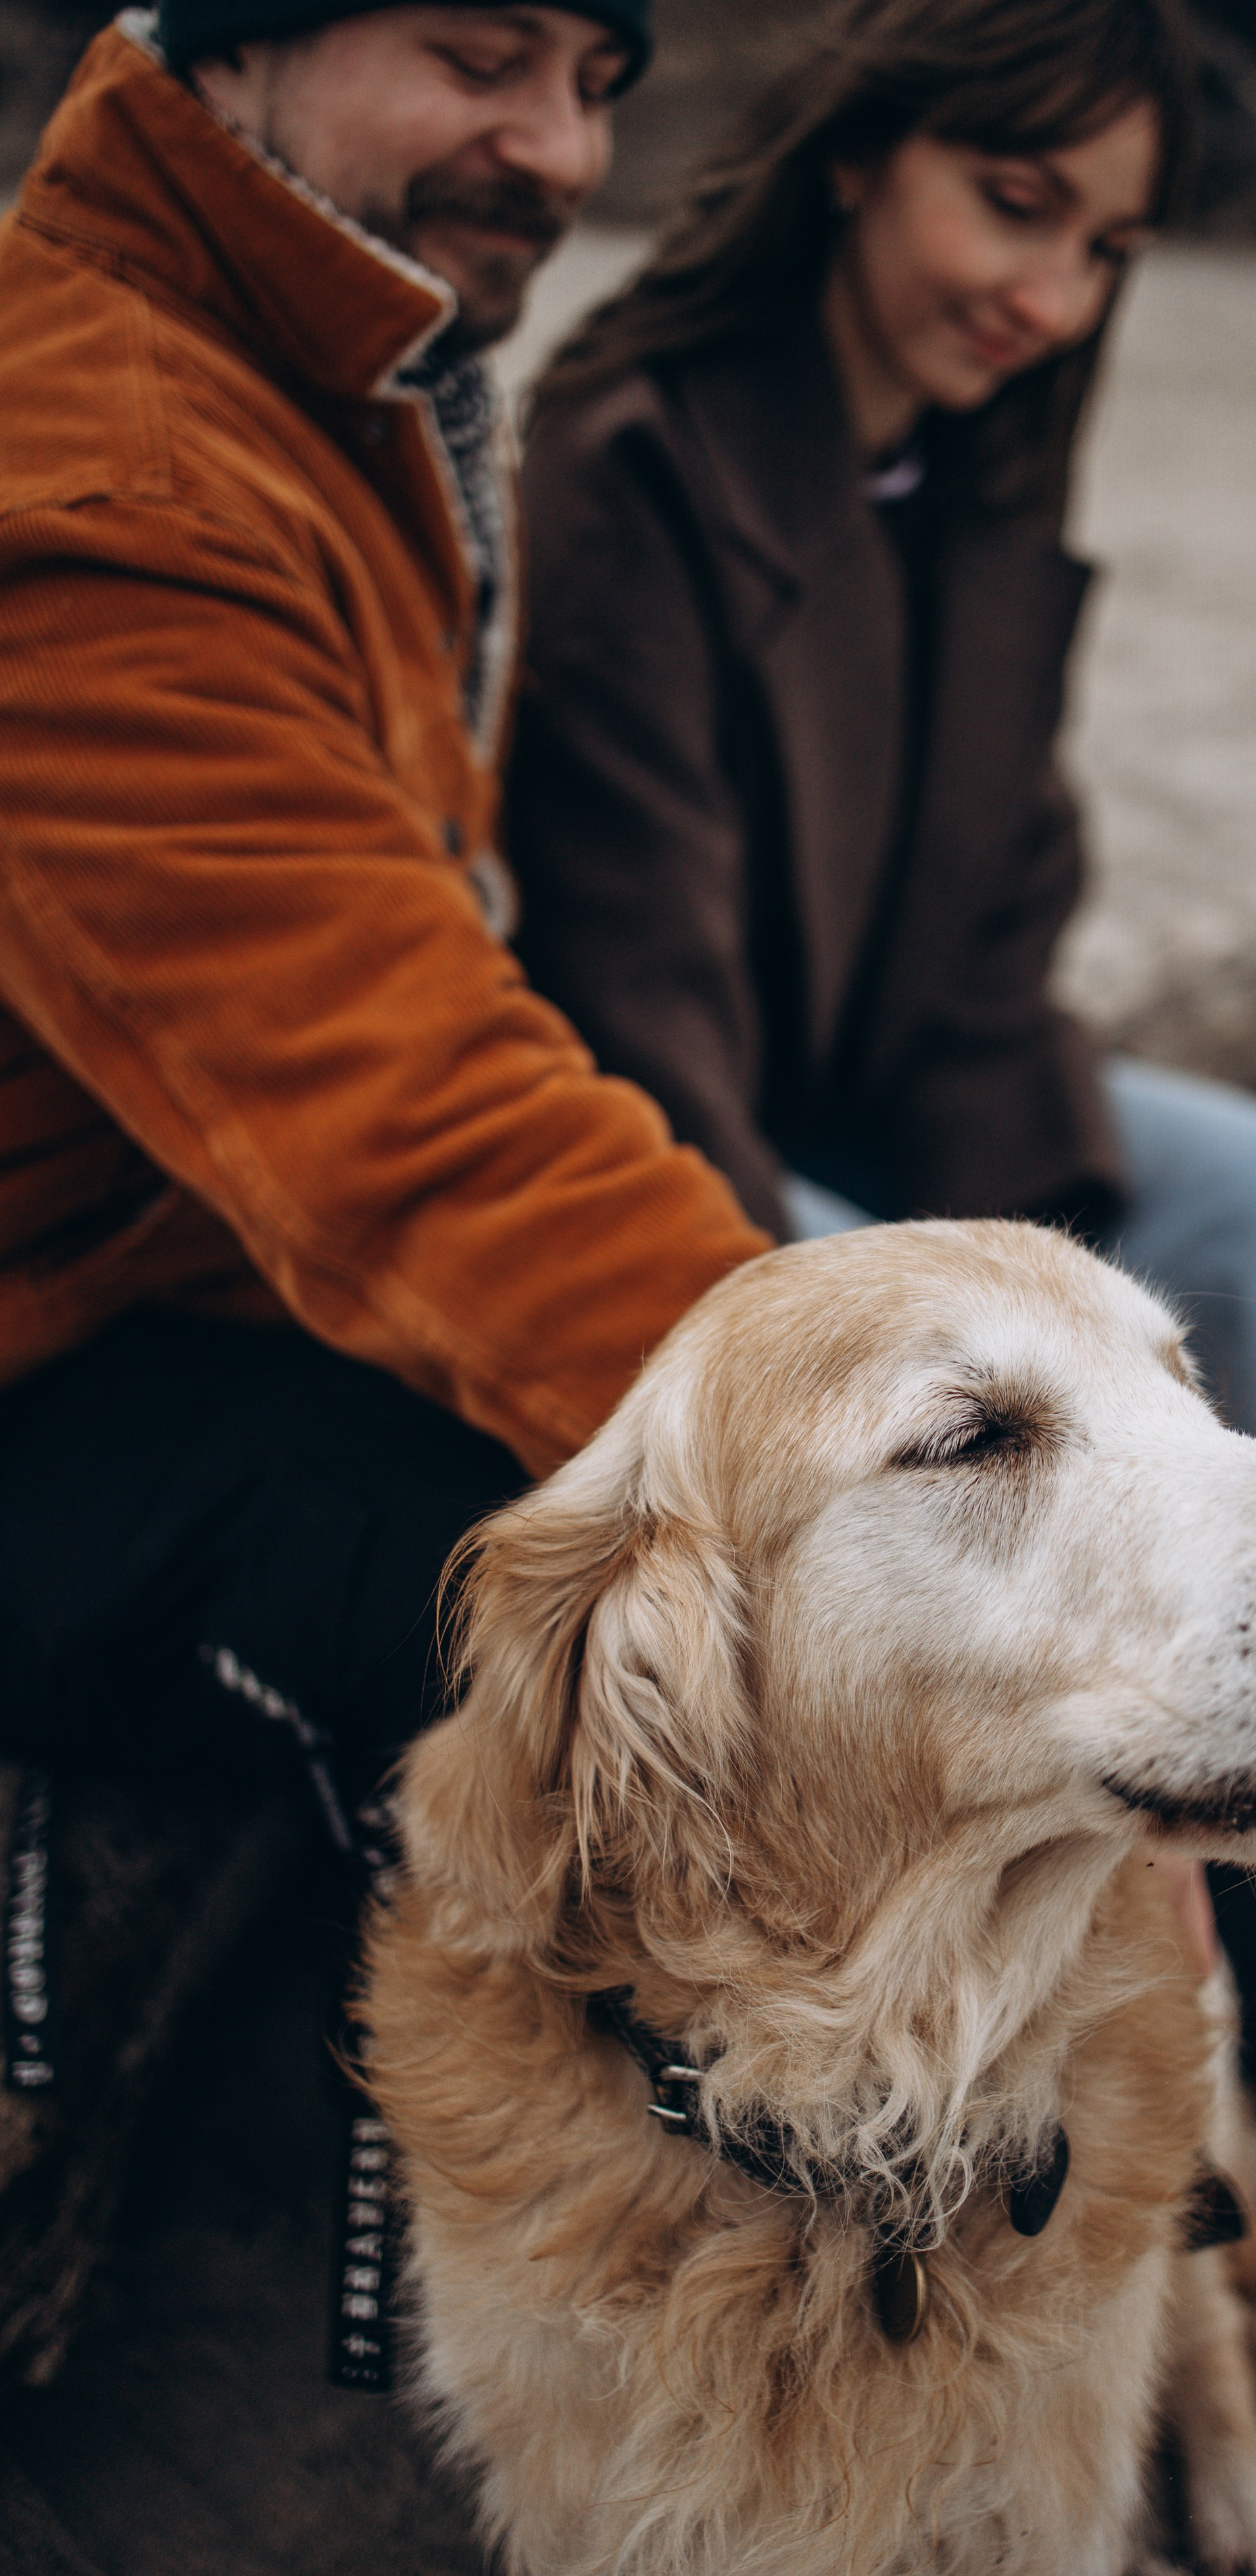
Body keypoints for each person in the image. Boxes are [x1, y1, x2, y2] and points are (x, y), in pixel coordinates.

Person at [507, 0, 1256, 2291]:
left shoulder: (974, 465)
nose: (1048, 293)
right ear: (863, 159)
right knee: (982, 1357)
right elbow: (634, 963)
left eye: (1106, 246)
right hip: (708, 1144)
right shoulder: (639, 451)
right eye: (1013, 204)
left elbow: (995, 913)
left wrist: (1064, 1239)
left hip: (916, 1097)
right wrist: (989, 1301)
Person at [0, 0, 779, 2360]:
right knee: (650, 1641)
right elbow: (417, 1115)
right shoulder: (108, 461)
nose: (554, 143)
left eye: (596, 83)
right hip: (63, 1366)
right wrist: (891, 1435)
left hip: (176, 1297)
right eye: (477, 53)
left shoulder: (320, 380)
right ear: (227, 44)